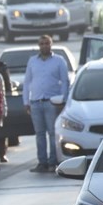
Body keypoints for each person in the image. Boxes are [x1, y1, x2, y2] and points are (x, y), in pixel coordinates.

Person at [24, 35, 70, 172]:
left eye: (47, 43)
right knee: (39, 134)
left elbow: (65, 82)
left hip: (52, 102)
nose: (44, 46)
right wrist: (26, 101)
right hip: (36, 102)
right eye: (42, 43)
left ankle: (53, 162)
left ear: (51, 44)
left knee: (52, 132)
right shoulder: (32, 61)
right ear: (39, 45)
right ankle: (42, 162)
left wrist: (63, 99)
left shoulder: (59, 61)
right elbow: (27, 82)